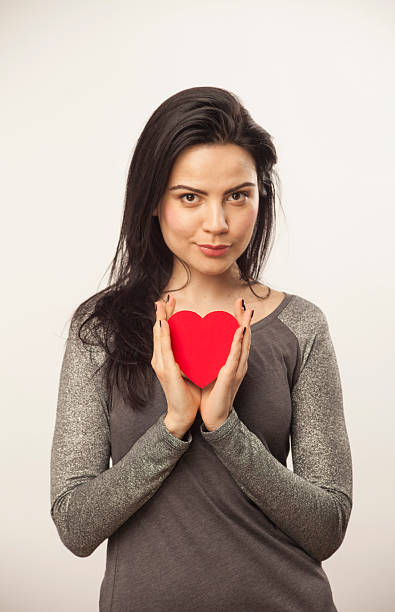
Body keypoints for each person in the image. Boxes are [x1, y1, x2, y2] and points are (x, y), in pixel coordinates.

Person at [50, 86, 353, 612]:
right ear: (152, 201)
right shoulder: (99, 329)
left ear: (262, 196)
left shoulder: (301, 325)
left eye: (239, 195)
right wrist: (172, 427)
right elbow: (76, 524)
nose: (218, 223)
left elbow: (326, 527)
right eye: (190, 196)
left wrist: (223, 428)